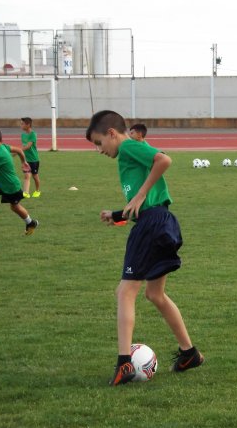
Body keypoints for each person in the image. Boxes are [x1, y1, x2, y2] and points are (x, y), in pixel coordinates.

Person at [85, 110, 203, 386]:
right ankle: (190, 353)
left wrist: (140, 194)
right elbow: (143, 203)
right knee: (155, 294)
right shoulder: (129, 151)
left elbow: (164, 160)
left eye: (99, 143)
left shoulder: (128, 147)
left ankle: (124, 363)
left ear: (112, 133)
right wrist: (118, 214)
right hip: (162, 221)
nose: (99, 150)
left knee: (125, 291)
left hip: (152, 224)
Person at [0, 127, 39, 235]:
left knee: (15, 207)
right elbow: (19, 150)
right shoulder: (4, 147)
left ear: (0, 141)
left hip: (11, 186)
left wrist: (24, 162)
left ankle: (31, 223)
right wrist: (24, 162)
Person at [20, 117, 41, 198]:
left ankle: (37, 190)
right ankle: (26, 192)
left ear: (28, 125)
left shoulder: (33, 134)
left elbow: (28, 146)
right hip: (26, 159)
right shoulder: (22, 135)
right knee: (27, 175)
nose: (20, 125)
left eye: (22, 124)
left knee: (35, 176)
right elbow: (23, 146)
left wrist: (17, 150)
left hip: (34, 159)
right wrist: (15, 153)